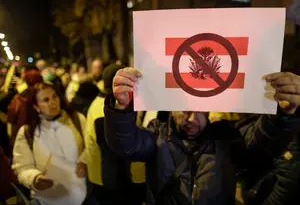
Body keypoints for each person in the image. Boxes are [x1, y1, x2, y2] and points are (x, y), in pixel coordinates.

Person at [104, 68, 300, 205]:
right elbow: (126, 144)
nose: (192, 119)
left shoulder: (226, 139)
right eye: (185, 111)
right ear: (171, 109)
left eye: (200, 112)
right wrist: (121, 108)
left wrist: (284, 116)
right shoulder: (158, 135)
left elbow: (262, 142)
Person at [12, 82, 87, 205]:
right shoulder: (28, 132)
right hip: (47, 200)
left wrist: (84, 161)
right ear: (36, 106)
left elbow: (90, 147)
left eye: (54, 97)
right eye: (46, 100)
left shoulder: (77, 119)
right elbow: (21, 167)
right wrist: (35, 178)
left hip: (80, 196)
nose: (53, 102)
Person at [84, 64, 146, 205]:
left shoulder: (101, 103)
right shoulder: (107, 111)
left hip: (104, 177)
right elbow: (112, 156)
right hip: (111, 182)